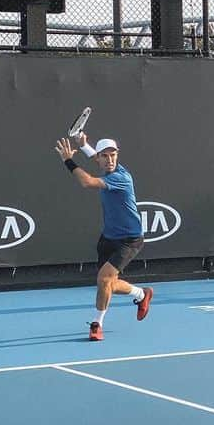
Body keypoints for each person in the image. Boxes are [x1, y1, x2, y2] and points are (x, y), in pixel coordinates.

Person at [55, 133, 152, 341]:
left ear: (117, 156)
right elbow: (96, 159)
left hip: (130, 240)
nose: (110, 159)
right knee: (107, 284)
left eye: (113, 155)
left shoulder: (121, 177)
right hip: (108, 238)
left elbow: (87, 182)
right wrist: (84, 146)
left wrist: (68, 160)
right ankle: (141, 294)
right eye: (105, 156)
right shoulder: (105, 166)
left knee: (104, 279)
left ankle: (97, 323)